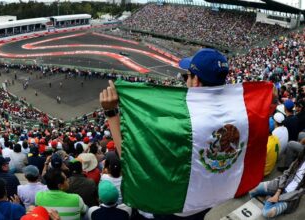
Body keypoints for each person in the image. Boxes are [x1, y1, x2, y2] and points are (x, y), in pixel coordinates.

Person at [99, 48, 230, 218]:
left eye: (187, 76)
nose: (185, 80)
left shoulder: (179, 124)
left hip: (176, 207)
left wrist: (111, 113)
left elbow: (132, 160)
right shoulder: (236, 115)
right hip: (211, 200)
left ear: (196, 80)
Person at [249, 148, 305, 218]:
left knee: (267, 213)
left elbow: (298, 193)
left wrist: (278, 198)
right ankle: (270, 196)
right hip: (280, 185)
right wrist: (278, 192)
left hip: (290, 198)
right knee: (252, 189)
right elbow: (286, 174)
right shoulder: (301, 159)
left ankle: (269, 198)